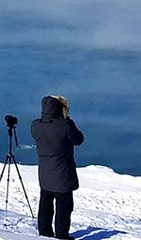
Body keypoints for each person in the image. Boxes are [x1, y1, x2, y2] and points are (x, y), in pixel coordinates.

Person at [31, 95, 85, 240]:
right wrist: (68, 120)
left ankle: (44, 232)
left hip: (45, 172)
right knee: (64, 206)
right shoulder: (65, 126)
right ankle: (62, 235)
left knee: (45, 203)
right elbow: (78, 139)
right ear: (60, 109)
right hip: (63, 173)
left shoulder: (35, 126)